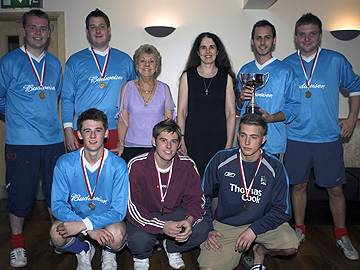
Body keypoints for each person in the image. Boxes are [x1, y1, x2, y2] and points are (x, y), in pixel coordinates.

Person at [283, 13, 360, 260]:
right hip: (295, 137)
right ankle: (299, 229)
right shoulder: (286, 65)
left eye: (312, 33)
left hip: (327, 139)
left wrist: (351, 118)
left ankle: (341, 234)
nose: (307, 38)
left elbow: (356, 87)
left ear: (320, 36)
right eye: (302, 34)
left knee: (336, 189)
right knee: (298, 186)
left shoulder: (336, 60)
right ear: (295, 37)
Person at [0, 9, 65, 268]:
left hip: (53, 141)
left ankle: (57, 239)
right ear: (24, 30)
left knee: (56, 195)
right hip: (21, 143)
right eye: (33, 28)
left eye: (43, 28)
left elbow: (55, 97)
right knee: (20, 197)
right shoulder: (9, 62)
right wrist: (16, 116)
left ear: (48, 33)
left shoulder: (54, 64)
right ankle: (17, 245)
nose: (38, 32)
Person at [198, 114, 298, 270]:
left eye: (253, 137)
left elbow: (283, 210)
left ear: (263, 139)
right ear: (237, 136)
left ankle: (260, 250)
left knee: (290, 245)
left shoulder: (275, 167)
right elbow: (202, 196)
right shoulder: (221, 159)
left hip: (261, 223)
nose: (247, 142)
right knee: (208, 268)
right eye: (243, 135)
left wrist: (254, 230)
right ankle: (235, 252)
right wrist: (208, 228)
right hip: (227, 225)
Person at [50, 108, 128, 270]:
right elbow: (58, 205)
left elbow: (119, 211)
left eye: (98, 131)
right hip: (76, 218)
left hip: (108, 221)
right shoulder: (64, 163)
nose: (93, 136)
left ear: (106, 133)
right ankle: (83, 249)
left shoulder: (118, 165)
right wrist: (87, 228)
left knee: (117, 237)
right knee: (56, 234)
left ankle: (108, 252)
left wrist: (85, 225)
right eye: (87, 131)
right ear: (79, 134)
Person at [126, 119, 208, 270]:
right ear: (154, 141)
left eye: (174, 141)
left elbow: (197, 200)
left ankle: (172, 247)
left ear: (179, 144)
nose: (169, 147)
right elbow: (131, 207)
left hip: (174, 213)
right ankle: (141, 256)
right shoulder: (136, 165)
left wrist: (189, 221)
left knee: (202, 229)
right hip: (146, 214)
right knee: (138, 240)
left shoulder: (188, 164)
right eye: (163, 140)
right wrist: (163, 226)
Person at [61, 8, 136, 152]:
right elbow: (67, 98)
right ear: (87, 32)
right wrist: (68, 130)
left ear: (109, 30)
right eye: (92, 27)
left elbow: (134, 95)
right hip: (85, 131)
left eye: (102, 27)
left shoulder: (125, 60)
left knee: (113, 172)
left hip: (117, 129)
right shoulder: (75, 61)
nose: (98, 31)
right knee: (83, 173)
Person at [237, 20, 300, 157]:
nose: (263, 42)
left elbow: (294, 107)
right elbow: (237, 108)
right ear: (252, 41)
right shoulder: (245, 70)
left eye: (267, 38)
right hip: (245, 145)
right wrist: (241, 100)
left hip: (273, 144)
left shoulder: (286, 71)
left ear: (274, 41)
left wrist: (271, 118)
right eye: (258, 38)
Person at [177, 32, 236, 175]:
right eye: (203, 47)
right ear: (197, 52)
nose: (208, 51)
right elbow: (182, 111)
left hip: (219, 138)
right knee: (193, 181)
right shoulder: (187, 76)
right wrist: (181, 139)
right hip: (192, 139)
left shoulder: (226, 77)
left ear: (217, 51)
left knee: (216, 182)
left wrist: (228, 144)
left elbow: (230, 113)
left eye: (212, 47)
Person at [116, 44, 175, 162]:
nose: (147, 65)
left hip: (158, 148)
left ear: (157, 66)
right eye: (142, 61)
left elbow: (169, 122)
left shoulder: (164, 89)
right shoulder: (127, 87)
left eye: (151, 61)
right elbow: (123, 120)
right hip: (131, 147)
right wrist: (120, 143)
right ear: (137, 65)